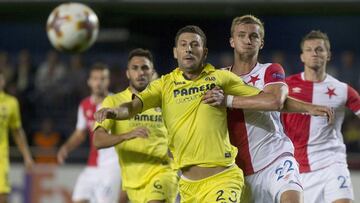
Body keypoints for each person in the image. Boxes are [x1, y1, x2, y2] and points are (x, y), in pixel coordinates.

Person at [94, 25, 306, 202]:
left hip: (223, 178)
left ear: (204, 52)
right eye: (183, 45)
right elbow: (131, 107)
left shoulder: (221, 78)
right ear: (175, 52)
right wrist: (114, 111)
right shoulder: (163, 86)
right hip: (188, 186)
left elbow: (268, 100)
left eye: (195, 45)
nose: (188, 49)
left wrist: (309, 108)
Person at [202, 15, 334, 203]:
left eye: (254, 36)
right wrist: (307, 107)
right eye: (242, 35)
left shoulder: (269, 70)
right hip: (237, 170)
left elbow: (275, 101)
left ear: (261, 43)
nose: (248, 40)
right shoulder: (218, 77)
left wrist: (228, 100)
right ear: (232, 41)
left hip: (275, 158)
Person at [281, 30, 360, 203]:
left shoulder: (342, 89)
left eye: (319, 49)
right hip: (297, 170)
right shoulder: (285, 86)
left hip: (332, 164)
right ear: (302, 56)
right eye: (309, 50)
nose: (314, 53)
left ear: (328, 55)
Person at [93, 48, 178, 203]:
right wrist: (126, 135)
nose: (140, 73)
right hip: (132, 183)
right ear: (128, 73)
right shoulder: (113, 103)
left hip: (163, 172)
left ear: (152, 72)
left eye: (145, 68)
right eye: (135, 68)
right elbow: (97, 141)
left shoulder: (164, 102)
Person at [57, 63, 125, 203]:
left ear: (108, 81)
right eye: (95, 78)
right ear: (89, 81)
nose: (98, 82)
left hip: (112, 165)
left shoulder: (117, 103)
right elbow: (80, 133)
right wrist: (66, 147)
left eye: (102, 78)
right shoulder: (84, 105)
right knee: (77, 199)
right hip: (92, 165)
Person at [0, 70, 34, 203]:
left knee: (3, 198)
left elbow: (17, 131)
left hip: (1, 159)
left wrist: (27, 156)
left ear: (3, 81)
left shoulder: (11, 103)